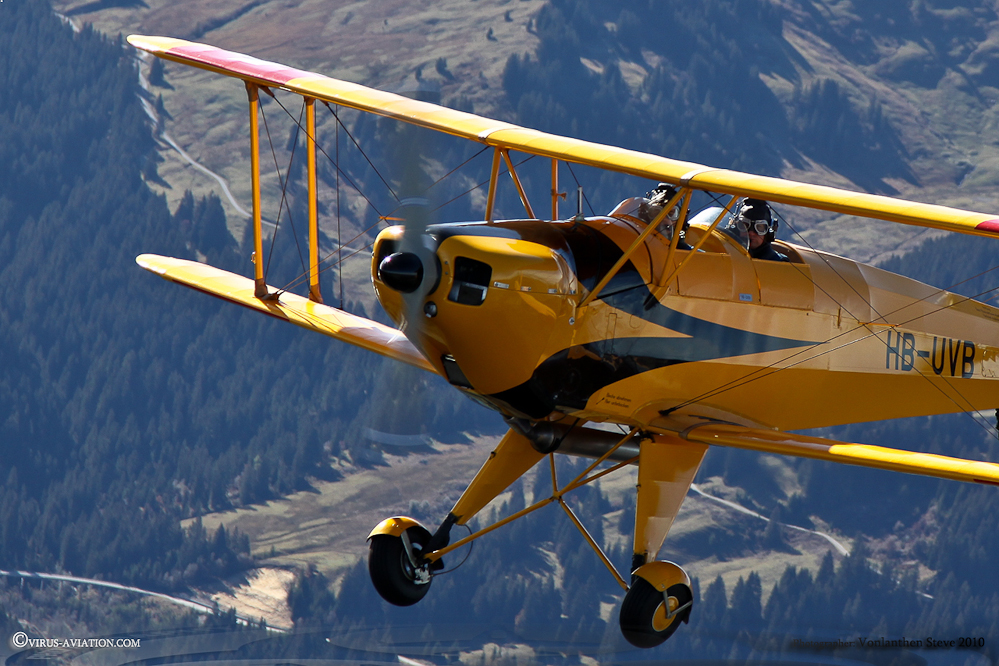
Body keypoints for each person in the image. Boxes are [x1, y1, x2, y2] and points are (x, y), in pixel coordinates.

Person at [639, 183, 692, 250]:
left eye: (671, 213)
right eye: (657, 213)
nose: (664, 220)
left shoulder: (687, 252)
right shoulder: (635, 238)